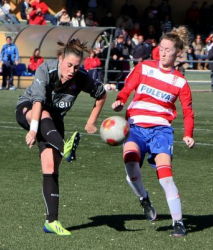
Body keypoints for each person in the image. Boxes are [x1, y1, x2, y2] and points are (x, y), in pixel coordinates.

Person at [15, 38, 107, 236]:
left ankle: (51, 222)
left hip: (54, 124)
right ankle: (65, 147)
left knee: (51, 168)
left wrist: (91, 122)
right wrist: (32, 130)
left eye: (76, 66)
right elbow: (38, 103)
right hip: (29, 110)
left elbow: (101, 95)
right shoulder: (45, 70)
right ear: (60, 59)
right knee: (44, 114)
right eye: (69, 65)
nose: (72, 70)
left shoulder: (81, 77)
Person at [111, 26, 194, 237]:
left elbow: (188, 111)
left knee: (165, 176)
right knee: (130, 167)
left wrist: (188, 133)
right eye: (161, 48)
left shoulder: (180, 82)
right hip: (136, 128)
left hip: (161, 131)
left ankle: (178, 222)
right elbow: (128, 86)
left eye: (168, 50)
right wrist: (120, 100)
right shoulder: (144, 67)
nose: (163, 53)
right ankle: (144, 199)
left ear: (177, 53)